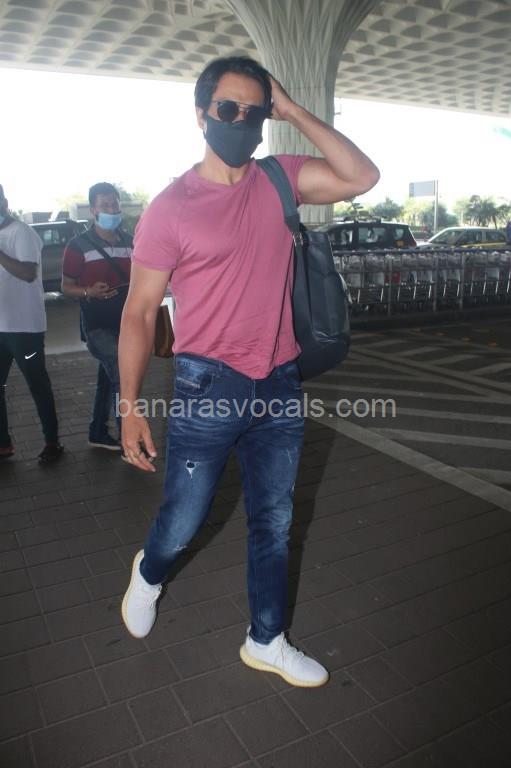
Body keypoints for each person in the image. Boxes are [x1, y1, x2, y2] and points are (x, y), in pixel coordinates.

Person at [119, 57, 379, 687]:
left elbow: (362, 176)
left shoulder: (280, 179)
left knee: (274, 520)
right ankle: (149, 573)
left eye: (254, 111)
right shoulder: (171, 208)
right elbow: (139, 312)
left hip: (280, 381)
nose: (241, 121)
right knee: (183, 521)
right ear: (201, 115)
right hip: (207, 384)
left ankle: (266, 639)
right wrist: (129, 406)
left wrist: (291, 110)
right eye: (227, 109)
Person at [62, 183, 133, 451]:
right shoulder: (77, 246)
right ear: (93, 209)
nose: (112, 210)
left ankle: (97, 432)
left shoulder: (130, 241)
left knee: (109, 377)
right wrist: (88, 291)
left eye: (115, 204)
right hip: (97, 326)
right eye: (105, 205)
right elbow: (66, 287)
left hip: (127, 324)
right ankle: (129, 440)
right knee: (123, 375)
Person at [0, 184, 63, 463]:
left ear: (4, 202)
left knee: (37, 384)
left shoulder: (22, 233)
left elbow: (28, 273)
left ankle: (52, 442)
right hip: (1, 325)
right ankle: (3, 444)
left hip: (24, 327)